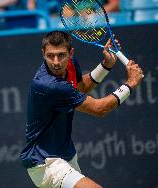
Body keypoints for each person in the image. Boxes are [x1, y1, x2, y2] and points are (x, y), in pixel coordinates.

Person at [19, 30, 143, 188]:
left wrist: (106, 65)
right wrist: (131, 83)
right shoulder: (48, 85)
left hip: (66, 155)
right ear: (43, 53)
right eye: (50, 55)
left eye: (61, 55)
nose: (56, 62)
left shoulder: (69, 66)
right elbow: (100, 109)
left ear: (71, 53)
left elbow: (80, 87)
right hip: (46, 162)